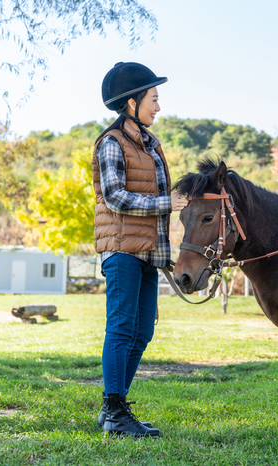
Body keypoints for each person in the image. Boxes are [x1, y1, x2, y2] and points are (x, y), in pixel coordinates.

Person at [92, 62, 188, 437]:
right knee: (121, 328)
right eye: (153, 98)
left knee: (143, 330)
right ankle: (116, 412)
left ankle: (114, 408)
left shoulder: (149, 143)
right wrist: (167, 203)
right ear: (131, 102)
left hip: (148, 251)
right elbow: (115, 197)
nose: (158, 107)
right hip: (121, 249)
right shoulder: (112, 142)